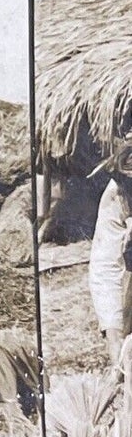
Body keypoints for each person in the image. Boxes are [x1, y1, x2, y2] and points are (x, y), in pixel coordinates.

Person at [89, 132, 132, 368]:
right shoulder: (118, 192)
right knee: (116, 327)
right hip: (112, 265)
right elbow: (108, 267)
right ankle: (120, 374)